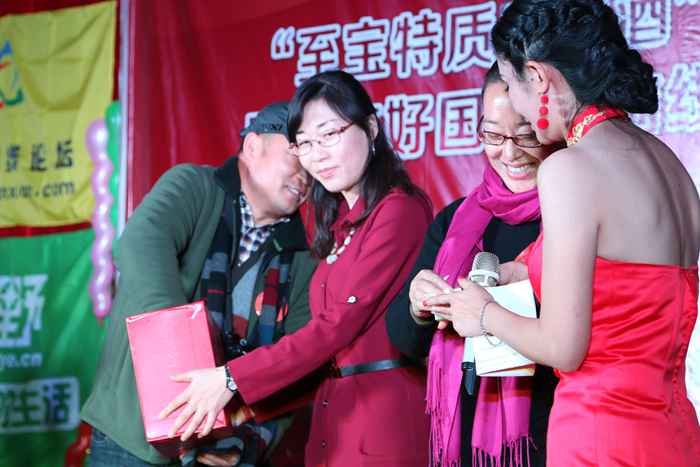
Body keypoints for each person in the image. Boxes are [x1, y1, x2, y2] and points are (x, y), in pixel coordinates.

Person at [421, 1, 700, 465]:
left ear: (537, 76)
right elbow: (623, 280)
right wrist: (516, 270)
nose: (519, 109)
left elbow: (563, 348)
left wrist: (483, 314)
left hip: (599, 434)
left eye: (510, 83)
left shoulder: (570, 168)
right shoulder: (668, 162)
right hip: (674, 434)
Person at [159, 70, 433, 467]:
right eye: (304, 142)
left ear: (371, 128)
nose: (317, 154)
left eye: (329, 134)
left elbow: (336, 327)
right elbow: (319, 346)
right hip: (333, 424)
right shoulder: (341, 225)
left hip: (383, 426)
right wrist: (237, 412)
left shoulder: (399, 210)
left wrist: (232, 378)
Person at [81, 102, 317, 467]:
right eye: (296, 154)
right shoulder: (194, 187)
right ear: (253, 146)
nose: (305, 175)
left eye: (313, 164)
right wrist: (181, 360)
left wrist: (247, 443)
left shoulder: (303, 257)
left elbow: (295, 361)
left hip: (224, 447)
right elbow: (142, 243)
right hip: (132, 435)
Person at [386, 63, 560, 467]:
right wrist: (418, 305)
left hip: (549, 434)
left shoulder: (571, 215)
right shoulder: (455, 222)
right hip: (463, 440)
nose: (510, 152)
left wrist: (492, 311)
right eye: (494, 135)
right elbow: (406, 341)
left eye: (525, 135)